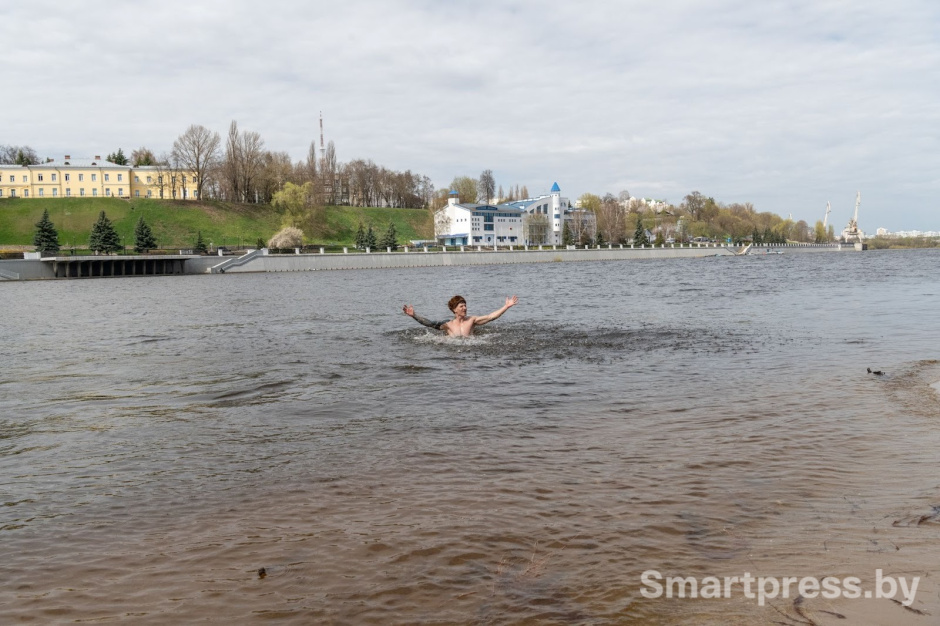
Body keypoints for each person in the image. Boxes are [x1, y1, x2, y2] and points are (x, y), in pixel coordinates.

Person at [403, 294, 518, 337]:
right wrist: (414, 315)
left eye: (465, 305)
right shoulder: (448, 325)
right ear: (454, 310)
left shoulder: (472, 320)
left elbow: (490, 317)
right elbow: (430, 323)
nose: (465, 308)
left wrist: (506, 307)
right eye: (461, 306)